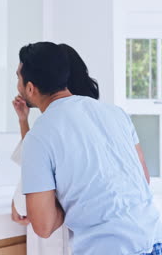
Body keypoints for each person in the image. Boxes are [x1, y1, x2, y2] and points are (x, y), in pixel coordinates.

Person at [16, 42, 162, 255]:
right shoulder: (115, 113)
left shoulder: (39, 136)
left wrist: (69, 202)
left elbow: (43, 225)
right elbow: (143, 177)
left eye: (18, 79)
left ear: (30, 88)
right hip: (155, 240)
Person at [11, 43, 104, 255]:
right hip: (149, 238)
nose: (17, 84)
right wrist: (24, 121)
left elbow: (33, 216)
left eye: (18, 77)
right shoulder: (109, 116)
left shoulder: (48, 130)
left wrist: (64, 205)